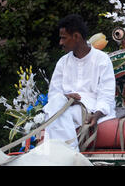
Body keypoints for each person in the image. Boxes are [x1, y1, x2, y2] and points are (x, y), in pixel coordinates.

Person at [43, 14, 116, 151]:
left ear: (76, 37)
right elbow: (54, 94)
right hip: (64, 106)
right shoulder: (63, 62)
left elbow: (106, 94)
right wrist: (66, 97)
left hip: (91, 108)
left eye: (63, 38)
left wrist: (97, 114)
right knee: (55, 105)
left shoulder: (102, 59)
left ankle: (66, 157)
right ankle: (71, 155)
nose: (60, 43)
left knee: (55, 115)